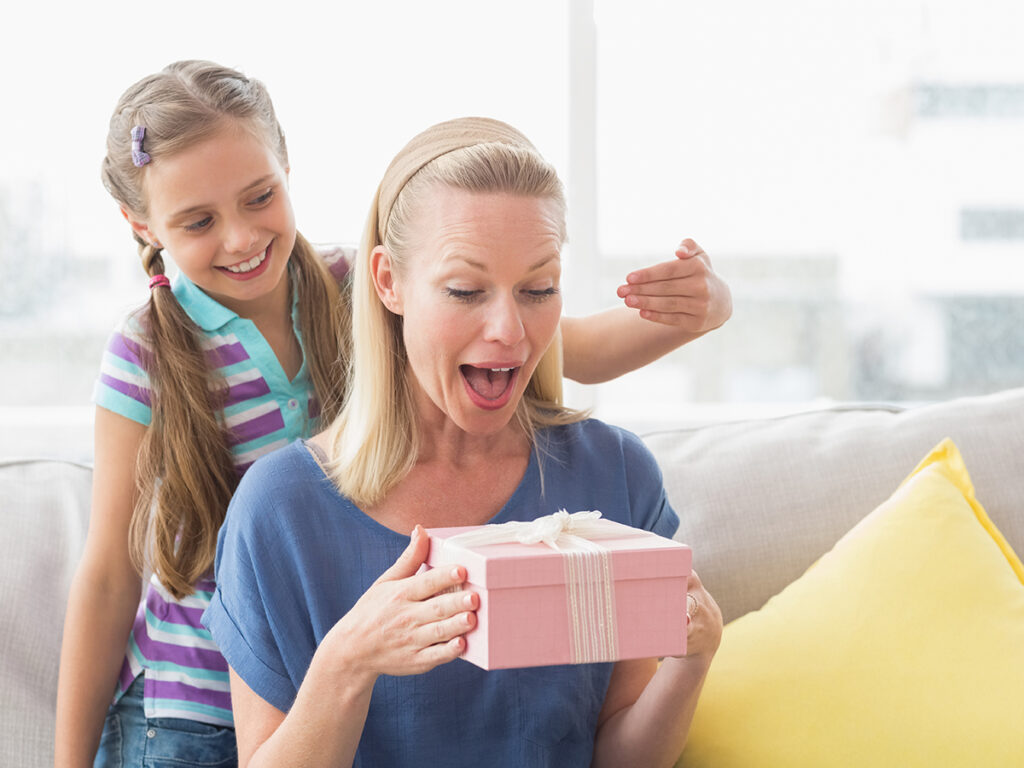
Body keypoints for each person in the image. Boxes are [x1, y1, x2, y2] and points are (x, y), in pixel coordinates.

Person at [54, 63, 729, 767]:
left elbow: (556, 344)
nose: (240, 238)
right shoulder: (152, 360)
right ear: (144, 226)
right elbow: (108, 574)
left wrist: (702, 315)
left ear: (287, 169)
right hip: (189, 703)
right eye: (198, 221)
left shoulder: (352, 290)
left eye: (259, 197)